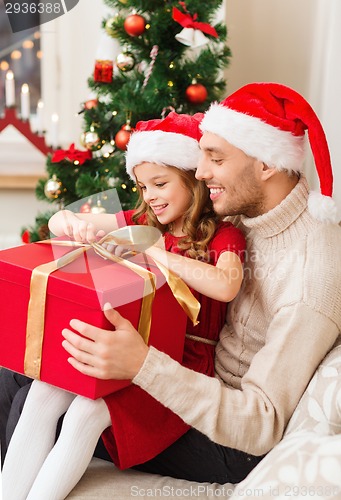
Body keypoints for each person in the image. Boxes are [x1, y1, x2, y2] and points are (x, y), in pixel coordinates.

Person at [56, 82, 341, 479]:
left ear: (266, 164)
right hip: (194, 380)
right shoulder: (246, 210)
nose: (200, 171)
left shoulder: (309, 279)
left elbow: (260, 423)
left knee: (44, 397)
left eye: (215, 158)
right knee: (32, 373)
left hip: (229, 441)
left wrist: (142, 365)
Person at [2, 112, 247, 500]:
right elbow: (60, 221)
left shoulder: (223, 233)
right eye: (142, 185)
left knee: (87, 412)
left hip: (177, 366)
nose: (149, 195)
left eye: (161, 183)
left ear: (191, 177)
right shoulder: (139, 221)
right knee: (44, 392)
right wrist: (72, 225)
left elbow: (227, 286)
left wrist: (158, 254)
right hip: (126, 348)